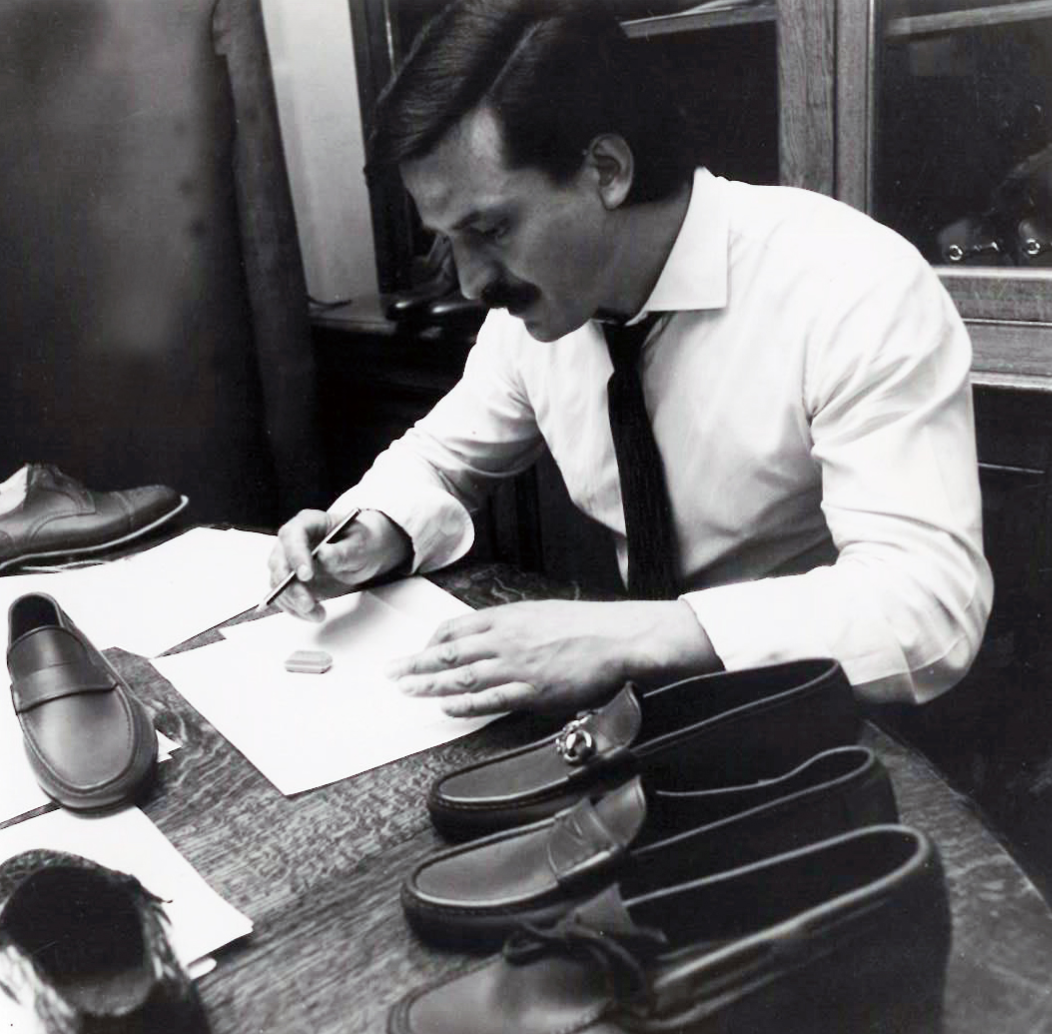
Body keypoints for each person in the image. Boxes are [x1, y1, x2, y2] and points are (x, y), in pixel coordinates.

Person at [268, 0, 992, 719]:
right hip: (641, 713)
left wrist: (631, 637)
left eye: (489, 229)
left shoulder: (849, 283)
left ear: (606, 169)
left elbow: (926, 606)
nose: (469, 282)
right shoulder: (544, 309)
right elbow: (440, 458)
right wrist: (372, 529)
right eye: (446, 240)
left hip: (823, 717)